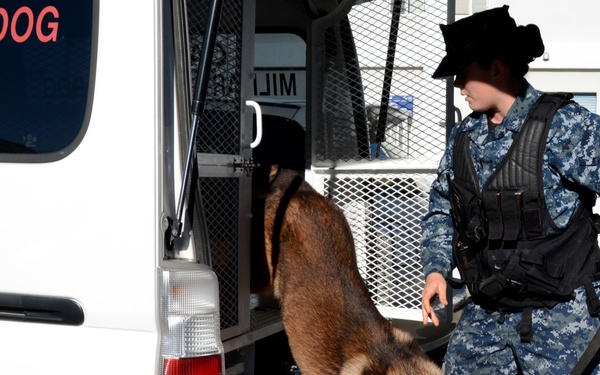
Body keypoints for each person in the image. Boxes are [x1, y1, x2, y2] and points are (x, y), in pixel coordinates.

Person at [420, 5, 600, 374]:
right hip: (489, 312)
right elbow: (442, 206)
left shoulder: (565, 126)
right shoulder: (465, 136)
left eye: (463, 74)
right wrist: (436, 269)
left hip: (562, 320)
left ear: (496, 70)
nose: (457, 85)